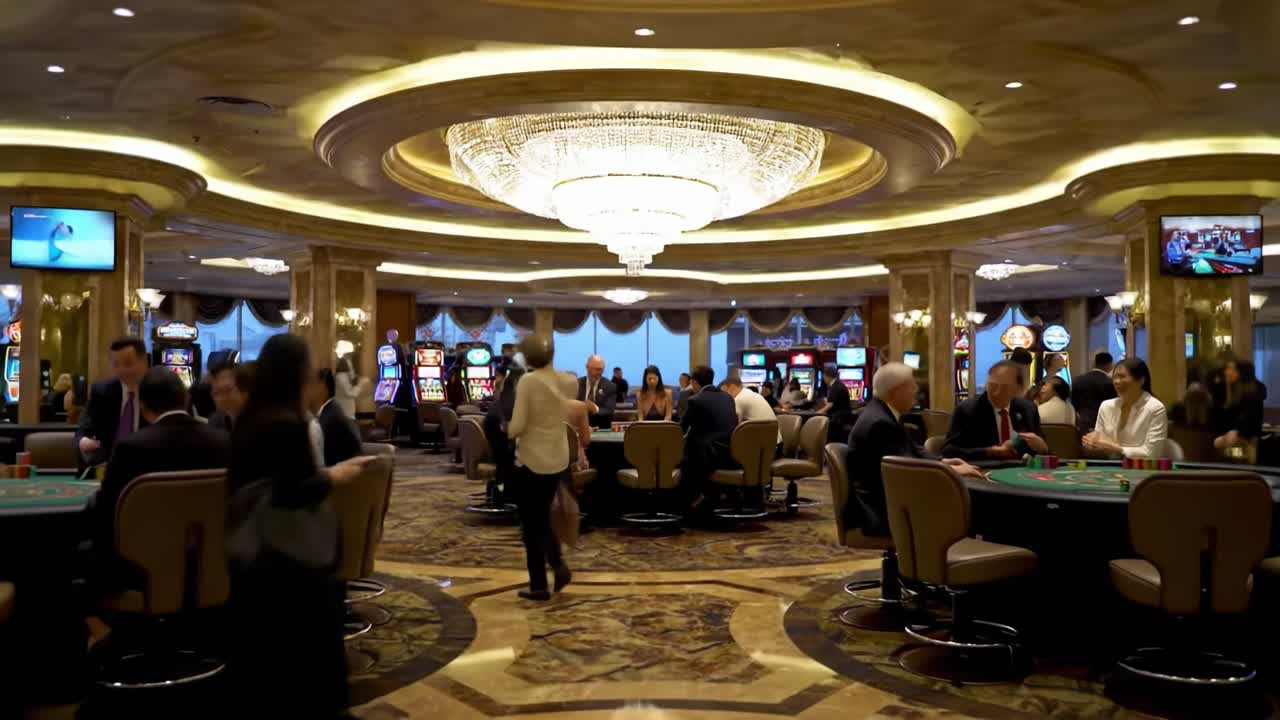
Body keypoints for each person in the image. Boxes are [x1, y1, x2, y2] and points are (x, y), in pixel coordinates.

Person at [224, 333, 372, 718]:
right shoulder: (285, 423)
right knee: (306, 664)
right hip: (288, 562)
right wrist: (333, 476)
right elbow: (292, 492)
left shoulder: (250, 419)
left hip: (255, 562)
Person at [90, 368, 230, 568]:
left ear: (144, 408)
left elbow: (106, 515)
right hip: (211, 567)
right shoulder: (224, 442)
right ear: (186, 400)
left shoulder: (130, 448)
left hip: (140, 570)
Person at [846, 363, 983, 536]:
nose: (916, 390)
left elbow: (912, 450)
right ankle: (945, 558)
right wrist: (951, 470)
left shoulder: (881, 412)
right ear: (896, 390)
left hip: (885, 500)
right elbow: (907, 468)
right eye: (912, 385)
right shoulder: (880, 422)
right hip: (881, 511)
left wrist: (942, 461)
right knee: (965, 505)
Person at [507, 335, 572, 601]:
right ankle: (557, 566)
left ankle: (540, 583)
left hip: (532, 460)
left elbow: (518, 425)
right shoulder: (567, 380)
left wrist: (506, 430)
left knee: (531, 523)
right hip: (558, 458)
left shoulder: (528, 381)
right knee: (542, 517)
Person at [943, 360, 1047, 461]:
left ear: (1018, 389)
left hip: (1021, 473)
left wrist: (1042, 448)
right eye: (992, 386)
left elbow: (1044, 454)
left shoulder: (1028, 410)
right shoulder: (968, 410)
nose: (996, 393)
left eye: (1004, 388)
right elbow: (948, 451)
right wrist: (989, 451)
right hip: (982, 472)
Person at [76, 337, 150, 466]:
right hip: (108, 466)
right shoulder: (101, 391)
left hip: (149, 468)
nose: (121, 370)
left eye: (128, 363)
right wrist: (83, 441)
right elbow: (83, 430)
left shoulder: (160, 389)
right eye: (115, 364)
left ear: (144, 362)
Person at [1084, 357, 1168, 459]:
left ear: (1141, 380)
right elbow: (1099, 444)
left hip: (1141, 470)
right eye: (1114, 377)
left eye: (1122, 377)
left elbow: (1152, 453)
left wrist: (1116, 448)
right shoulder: (1106, 406)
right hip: (1109, 467)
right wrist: (1092, 443)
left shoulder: (1155, 408)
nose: (1116, 382)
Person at [680, 365, 738, 508]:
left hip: (709, 456)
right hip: (731, 453)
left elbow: (681, 428)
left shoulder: (696, 400)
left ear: (694, 382)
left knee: (683, 454)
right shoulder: (728, 398)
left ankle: (689, 501)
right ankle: (714, 494)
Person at [308, 367, 363, 467]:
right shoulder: (331, 410)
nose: (308, 391)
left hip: (346, 479)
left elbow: (320, 467)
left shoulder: (329, 419)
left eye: (312, 385)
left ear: (324, 388)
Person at [1215, 359, 1265, 452]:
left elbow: (1248, 425)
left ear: (1241, 373)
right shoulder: (1232, 391)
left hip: (1244, 447)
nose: (1226, 372)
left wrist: (1234, 433)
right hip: (1233, 444)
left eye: (1231, 369)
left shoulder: (1251, 395)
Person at [721, 375, 780, 445]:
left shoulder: (739, 399)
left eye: (724, 392)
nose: (724, 397)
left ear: (732, 387)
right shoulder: (751, 394)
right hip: (775, 444)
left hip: (764, 448)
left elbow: (731, 427)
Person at [1071, 351, 1117, 431]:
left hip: (1084, 422)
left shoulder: (1078, 380)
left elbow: (1074, 403)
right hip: (1105, 423)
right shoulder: (1110, 383)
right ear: (1109, 364)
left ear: (1095, 363)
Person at [208, 362, 254, 432]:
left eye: (226, 389)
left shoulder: (264, 424)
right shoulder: (216, 421)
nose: (219, 397)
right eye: (215, 391)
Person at [577, 354, 617, 429]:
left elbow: (609, 411)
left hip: (601, 429)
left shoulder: (610, 386)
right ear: (587, 367)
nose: (597, 373)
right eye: (594, 369)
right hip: (579, 429)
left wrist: (595, 409)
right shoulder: (577, 384)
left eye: (600, 370)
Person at [821, 379, 856, 444]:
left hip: (840, 419)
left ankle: (827, 446)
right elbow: (835, 403)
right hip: (843, 416)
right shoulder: (839, 384)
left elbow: (830, 405)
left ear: (825, 376)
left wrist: (818, 412)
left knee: (826, 426)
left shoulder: (835, 386)